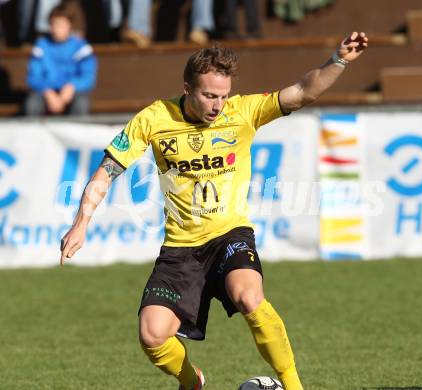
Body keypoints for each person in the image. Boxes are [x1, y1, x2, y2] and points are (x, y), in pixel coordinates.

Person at [60, 32, 368, 389]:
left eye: (222, 95)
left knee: (249, 296)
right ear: (187, 88)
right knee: (152, 334)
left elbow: (303, 91)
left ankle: (294, 386)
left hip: (230, 235)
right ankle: (192, 382)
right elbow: (108, 169)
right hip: (181, 250)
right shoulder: (154, 118)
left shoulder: (242, 112)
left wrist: (340, 60)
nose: (218, 104)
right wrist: (81, 223)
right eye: (209, 95)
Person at [25, 3, 97, 116]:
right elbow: (33, 77)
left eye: (61, 25)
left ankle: (76, 133)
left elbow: (88, 77)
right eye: (53, 24)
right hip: (47, 93)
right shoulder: (41, 46)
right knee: (32, 104)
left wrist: (72, 86)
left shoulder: (81, 47)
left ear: (70, 25)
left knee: (81, 103)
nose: (57, 29)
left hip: (71, 92)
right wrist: (47, 92)